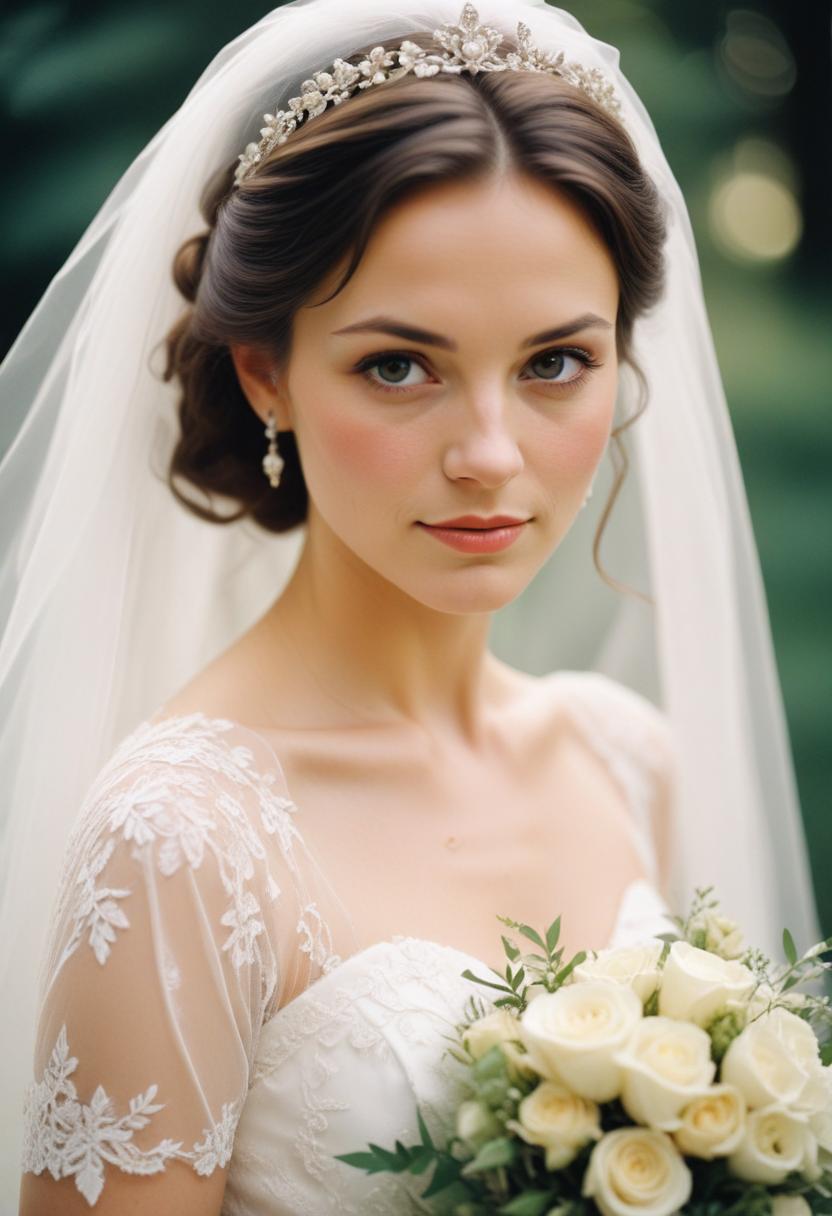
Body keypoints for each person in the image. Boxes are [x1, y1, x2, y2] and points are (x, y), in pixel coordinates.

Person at [0, 0, 820, 1211]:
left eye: (554, 362)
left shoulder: (627, 758)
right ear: (265, 369)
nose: (490, 454)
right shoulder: (182, 844)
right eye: (400, 365)